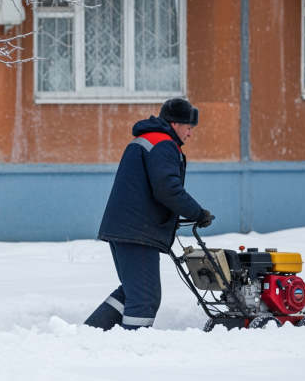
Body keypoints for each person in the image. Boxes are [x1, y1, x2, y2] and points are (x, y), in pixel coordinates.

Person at [85, 98, 212, 331]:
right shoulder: (163, 144)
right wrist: (197, 213)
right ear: (175, 124)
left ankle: (91, 333)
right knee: (145, 297)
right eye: (189, 127)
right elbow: (167, 189)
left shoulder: (147, 139)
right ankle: (133, 346)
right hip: (137, 232)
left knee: (132, 291)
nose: (190, 134)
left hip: (124, 228)